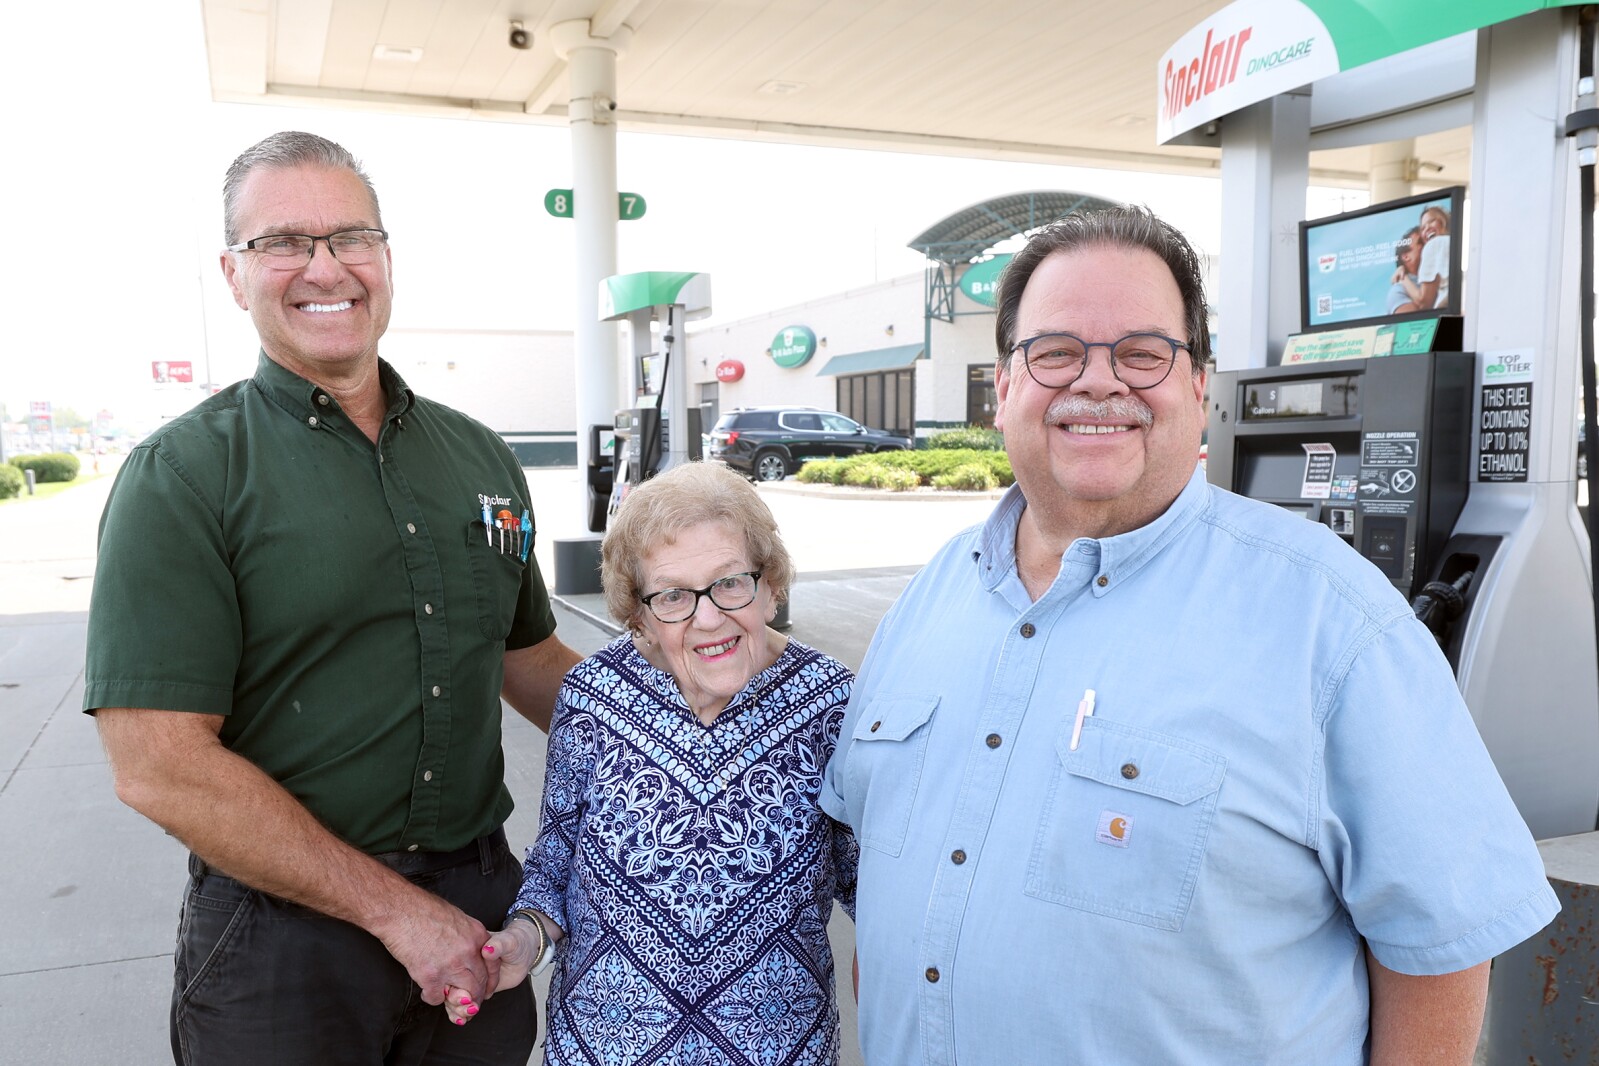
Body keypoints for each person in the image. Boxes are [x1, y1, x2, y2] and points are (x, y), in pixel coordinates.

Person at [820, 204, 1558, 1065]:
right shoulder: (929, 599)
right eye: (1055, 351)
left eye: (1143, 353)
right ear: (1005, 384)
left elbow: (1440, 943)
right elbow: (881, 892)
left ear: (1198, 388)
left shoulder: (1328, 619)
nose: (1098, 382)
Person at [84, 130, 582, 1065]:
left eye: (352, 236)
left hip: (478, 914)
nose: (326, 266)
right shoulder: (184, 475)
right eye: (283, 242)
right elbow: (158, 762)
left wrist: (699, 737)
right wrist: (397, 913)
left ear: (386, 260)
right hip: (283, 943)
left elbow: (531, 660)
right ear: (235, 275)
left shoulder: (478, 456)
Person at [445, 461, 859, 1066]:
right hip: (602, 1046)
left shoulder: (832, 701)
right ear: (637, 613)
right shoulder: (595, 695)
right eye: (672, 596)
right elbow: (558, 858)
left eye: (731, 582)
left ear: (770, 585)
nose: (709, 617)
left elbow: (872, 884)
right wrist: (523, 939)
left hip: (778, 1049)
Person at [1417, 203, 1452, 310]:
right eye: (1422, 228)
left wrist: (1403, 279)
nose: (1427, 228)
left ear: (1443, 221)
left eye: (1431, 221)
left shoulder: (1434, 244)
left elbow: (1424, 302)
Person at [1386, 225, 1425, 314]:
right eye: (1420, 242)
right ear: (1406, 257)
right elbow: (1413, 326)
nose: (1427, 243)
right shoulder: (1398, 292)